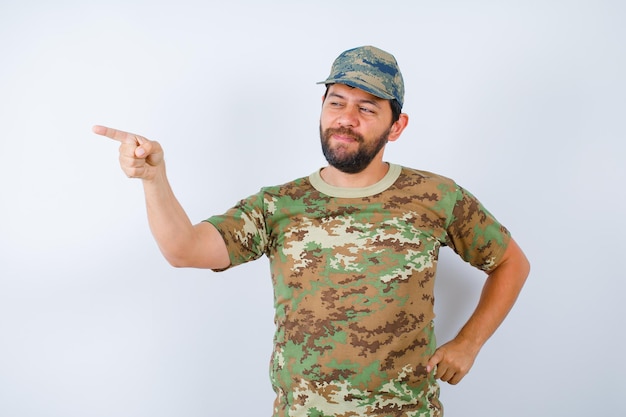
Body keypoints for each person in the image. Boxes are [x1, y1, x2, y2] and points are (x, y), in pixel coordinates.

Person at [94, 45, 530, 417]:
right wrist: (154, 179)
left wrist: (469, 343)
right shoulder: (278, 205)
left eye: (366, 108)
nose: (346, 118)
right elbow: (182, 249)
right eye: (336, 102)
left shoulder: (436, 196)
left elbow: (511, 262)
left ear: (396, 126)